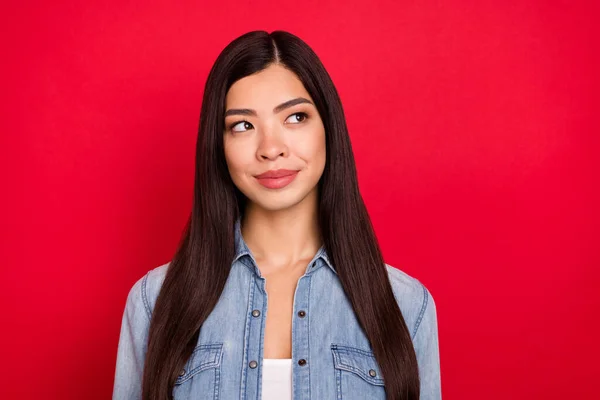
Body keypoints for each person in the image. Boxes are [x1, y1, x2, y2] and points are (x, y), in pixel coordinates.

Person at [112, 30, 441, 400]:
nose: (271, 149)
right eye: (243, 125)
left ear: (329, 129)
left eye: (296, 117)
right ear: (218, 146)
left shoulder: (406, 305)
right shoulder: (154, 302)